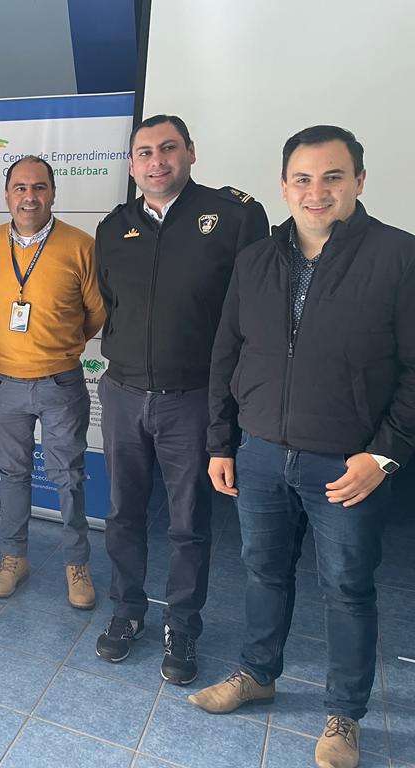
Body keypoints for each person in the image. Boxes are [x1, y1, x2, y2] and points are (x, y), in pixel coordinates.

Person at [191, 126, 415, 768]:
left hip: (347, 463)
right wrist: (221, 442)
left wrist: (384, 455)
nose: (317, 192)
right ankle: (258, 674)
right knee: (262, 570)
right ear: (284, 186)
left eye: (333, 177)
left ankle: (344, 714)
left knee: (346, 588)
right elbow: (227, 354)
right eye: (303, 179)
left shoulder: (398, 257)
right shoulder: (256, 259)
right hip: (260, 453)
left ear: (359, 181)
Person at [93, 115, 269, 684]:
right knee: (122, 514)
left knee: (188, 521)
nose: (156, 161)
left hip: (192, 398)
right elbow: (113, 305)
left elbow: (251, 315)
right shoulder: (113, 227)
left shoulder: (233, 216)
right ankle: (127, 611)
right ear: (131, 165)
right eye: (144, 152)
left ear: (191, 152)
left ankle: (183, 624)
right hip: (123, 394)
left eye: (168, 148)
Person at [0, 156, 105, 608]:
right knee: (12, 474)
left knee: (68, 477)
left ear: (52, 192)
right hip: (3, 382)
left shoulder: (81, 245)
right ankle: (13, 558)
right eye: (20, 188)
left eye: (39, 187)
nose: (29, 197)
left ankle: (77, 565)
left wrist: (60, 345)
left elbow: (96, 312)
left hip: (59, 382)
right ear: (7, 194)